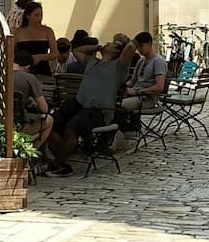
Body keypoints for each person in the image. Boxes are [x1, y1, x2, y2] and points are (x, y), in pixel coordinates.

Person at [48, 36, 137, 174]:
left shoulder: (118, 66)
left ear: (117, 50)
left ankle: (56, 164)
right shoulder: (93, 61)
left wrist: (122, 42)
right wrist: (98, 47)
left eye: (112, 43)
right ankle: (64, 158)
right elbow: (76, 50)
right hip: (78, 104)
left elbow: (131, 47)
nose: (107, 42)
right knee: (50, 125)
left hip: (97, 111)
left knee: (71, 128)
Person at [13, 49, 53, 149]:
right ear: (28, 67)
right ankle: (31, 152)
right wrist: (35, 104)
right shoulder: (29, 78)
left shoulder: (0, 74)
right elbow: (44, 109)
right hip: (18, 127)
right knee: (49, 120)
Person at [121, 32, 168, 113]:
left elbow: (159, 87)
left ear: (149, 44)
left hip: (147, 99)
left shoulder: (158, 61)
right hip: (136, 95)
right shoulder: (141, 60)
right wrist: (121, 86)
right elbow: (132, 81)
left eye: (141, 46)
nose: (139, 49)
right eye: (137, 47)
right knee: (111, 101)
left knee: (120, 105)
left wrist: (136, 92)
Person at [12, 1, 59, 77]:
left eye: (41, 15)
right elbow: (11, 53)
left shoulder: (47, 31)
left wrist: (40, 57)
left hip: (42, 70)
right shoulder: (18, 32)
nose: (39, 18)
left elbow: (55, 53)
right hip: (23, 71)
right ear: (28, 16)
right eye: (36, 15)